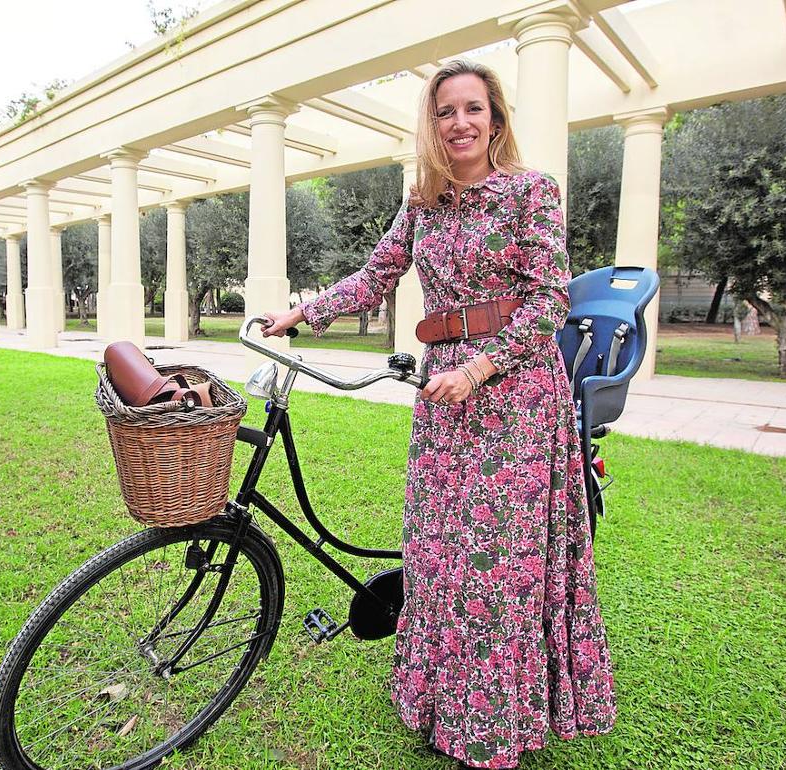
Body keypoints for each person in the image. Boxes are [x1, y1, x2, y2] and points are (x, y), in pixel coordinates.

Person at [261, 59, 615, 769]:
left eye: (473, 109)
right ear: (433, 123)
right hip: (443, 392)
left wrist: (480, 368)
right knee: (439, 551)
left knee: (497, 565)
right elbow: (376, 276)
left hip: (514, 394)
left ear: (496, 118)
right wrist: (302, 311)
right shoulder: (422, 202)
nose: (460, 122)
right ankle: (441, 703)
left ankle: (496, 727)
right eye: (446, 110)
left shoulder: (530, 192)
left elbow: (550, 300)